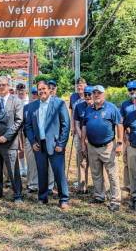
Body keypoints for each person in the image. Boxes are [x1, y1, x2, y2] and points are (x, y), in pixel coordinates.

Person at [24, 80, 71, 209]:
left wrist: (61, 143)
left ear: (49, 90)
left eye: (44, 89)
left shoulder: (59, 103)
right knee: (42, 171)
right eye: (39, 89)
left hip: (55, 145)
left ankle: (64, 198)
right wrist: (33, 141)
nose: (42, 91)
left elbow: (66, 125)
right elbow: (28, 126)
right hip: (39, 144)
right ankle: (42, 197)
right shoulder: (33, 106)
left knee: (58, 172)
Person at [81, 85, 123, 211]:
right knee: (96, 172)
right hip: (92, 146)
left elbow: (119, 124)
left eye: (99, 93)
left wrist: (120, 143)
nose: (96, 95)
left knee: (112, 173)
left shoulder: (111, 107)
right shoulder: (88, 109)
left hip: (108, 146)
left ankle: (115, 200)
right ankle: (99, 195)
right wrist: (83, 143)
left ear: (103, 94)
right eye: (94, 93)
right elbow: (84, 127)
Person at [0, 75, 24, 203]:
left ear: (9, 86)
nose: (1, 87)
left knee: (13, 169)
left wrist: (6, 137)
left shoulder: (16, 101)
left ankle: (17, 194)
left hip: (9, 142)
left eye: (3, 85)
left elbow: (19, 121)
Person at [72, 83, 92, 193]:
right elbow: (76, 123)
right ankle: (82, 185)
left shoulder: (96, 106)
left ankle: (100, 187)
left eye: (89, 94)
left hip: (94, 140)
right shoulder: (79, 106)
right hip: (81, 138)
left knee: (95, 163)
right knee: (81, 162)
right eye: (86, 94)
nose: (88, 96)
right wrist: (82, 138)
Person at [15, 83, 29, 177]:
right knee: (20, 149)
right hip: (19, 127)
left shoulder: (29, 100)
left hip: (28, 127)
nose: (21, 91)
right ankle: (22, 168)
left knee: (29, 148)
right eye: (19, 90)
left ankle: (28, 167)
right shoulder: (15, 100)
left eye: (22, 90)